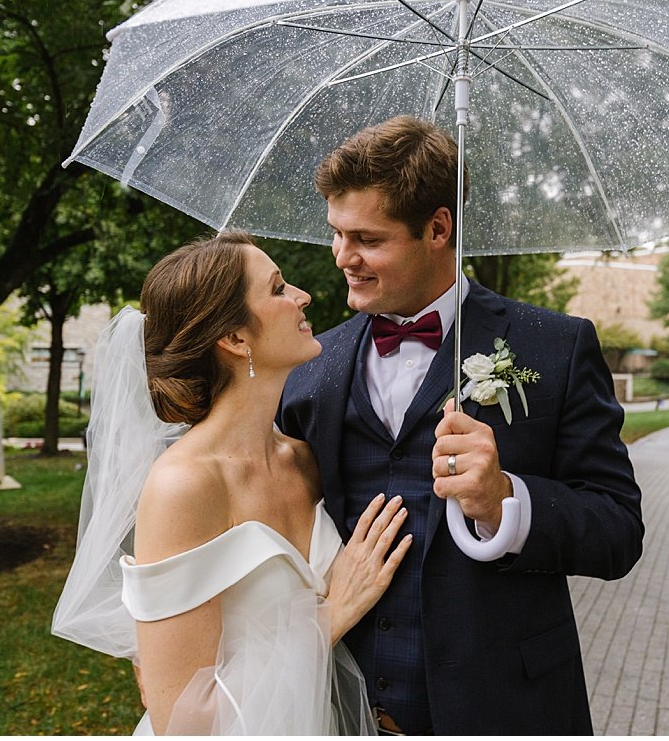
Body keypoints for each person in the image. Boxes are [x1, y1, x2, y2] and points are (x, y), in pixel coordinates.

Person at [279, 116, 644, 735]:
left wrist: (508, 502)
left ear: (438, 229)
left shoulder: (554, 347)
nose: (343, 258)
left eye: (366, 238)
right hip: (338, 708)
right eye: (337, 235)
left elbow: (617, 530)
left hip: (505, 708)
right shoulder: (311, 366)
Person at [52, 232, 413, 735]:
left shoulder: (305, 460)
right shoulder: (184, 485)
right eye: (279, 288)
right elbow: (182, 720)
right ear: (236, 339)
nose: (303, 296)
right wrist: (331, 617)